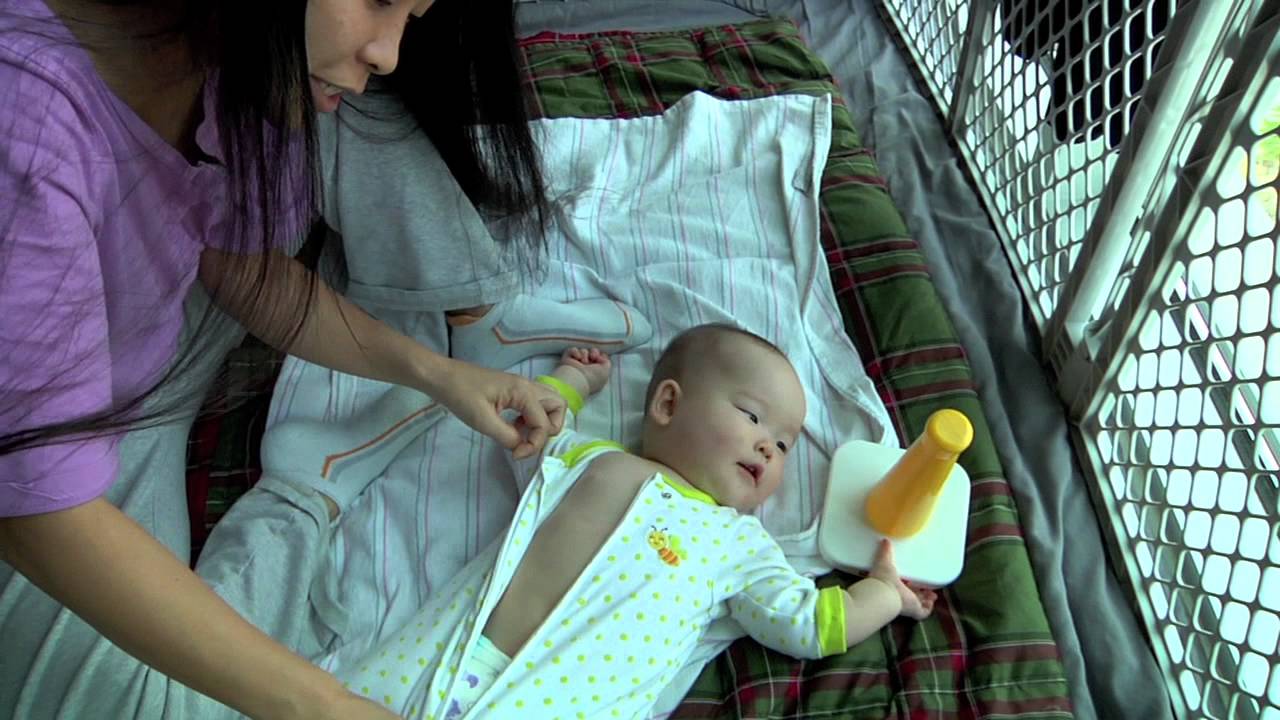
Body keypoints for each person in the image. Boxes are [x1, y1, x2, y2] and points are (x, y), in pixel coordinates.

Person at [0, 1, 614, 717]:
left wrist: (440, 374)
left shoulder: (224, 67)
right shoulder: (27, 126)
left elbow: (228, 259)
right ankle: (307, 491)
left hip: (137, 362)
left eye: (411, 17)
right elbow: (34, 510)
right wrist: (325, 703)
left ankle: (473, 319)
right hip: (51, 457)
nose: (387, 53)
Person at [328, 325, 939, 719]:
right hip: (441, 656)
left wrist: (884, 593)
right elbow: (533, 426)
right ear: (668, 403)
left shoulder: (739, 543)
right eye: (753, 418)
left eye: (783, 446)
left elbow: (811, 622)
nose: (767, 448)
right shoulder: (592, 457)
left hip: (563, 703)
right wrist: (575, 380)